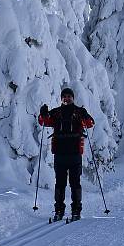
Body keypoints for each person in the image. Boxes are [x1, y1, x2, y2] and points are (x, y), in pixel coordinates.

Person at [39, 87, 95, 221]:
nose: (67, 98)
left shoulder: (79, 112)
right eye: (64, 96)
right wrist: (43, 114)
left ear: (73, 98)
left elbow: (90, 124)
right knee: (60, 184)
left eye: (69, 96)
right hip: (60, 154)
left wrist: (86, 115)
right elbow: (43, 122)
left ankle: (76, 210)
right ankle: (59, 210)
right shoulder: (56, 113)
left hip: (75, 154)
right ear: (61, 98)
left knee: (75, 183)